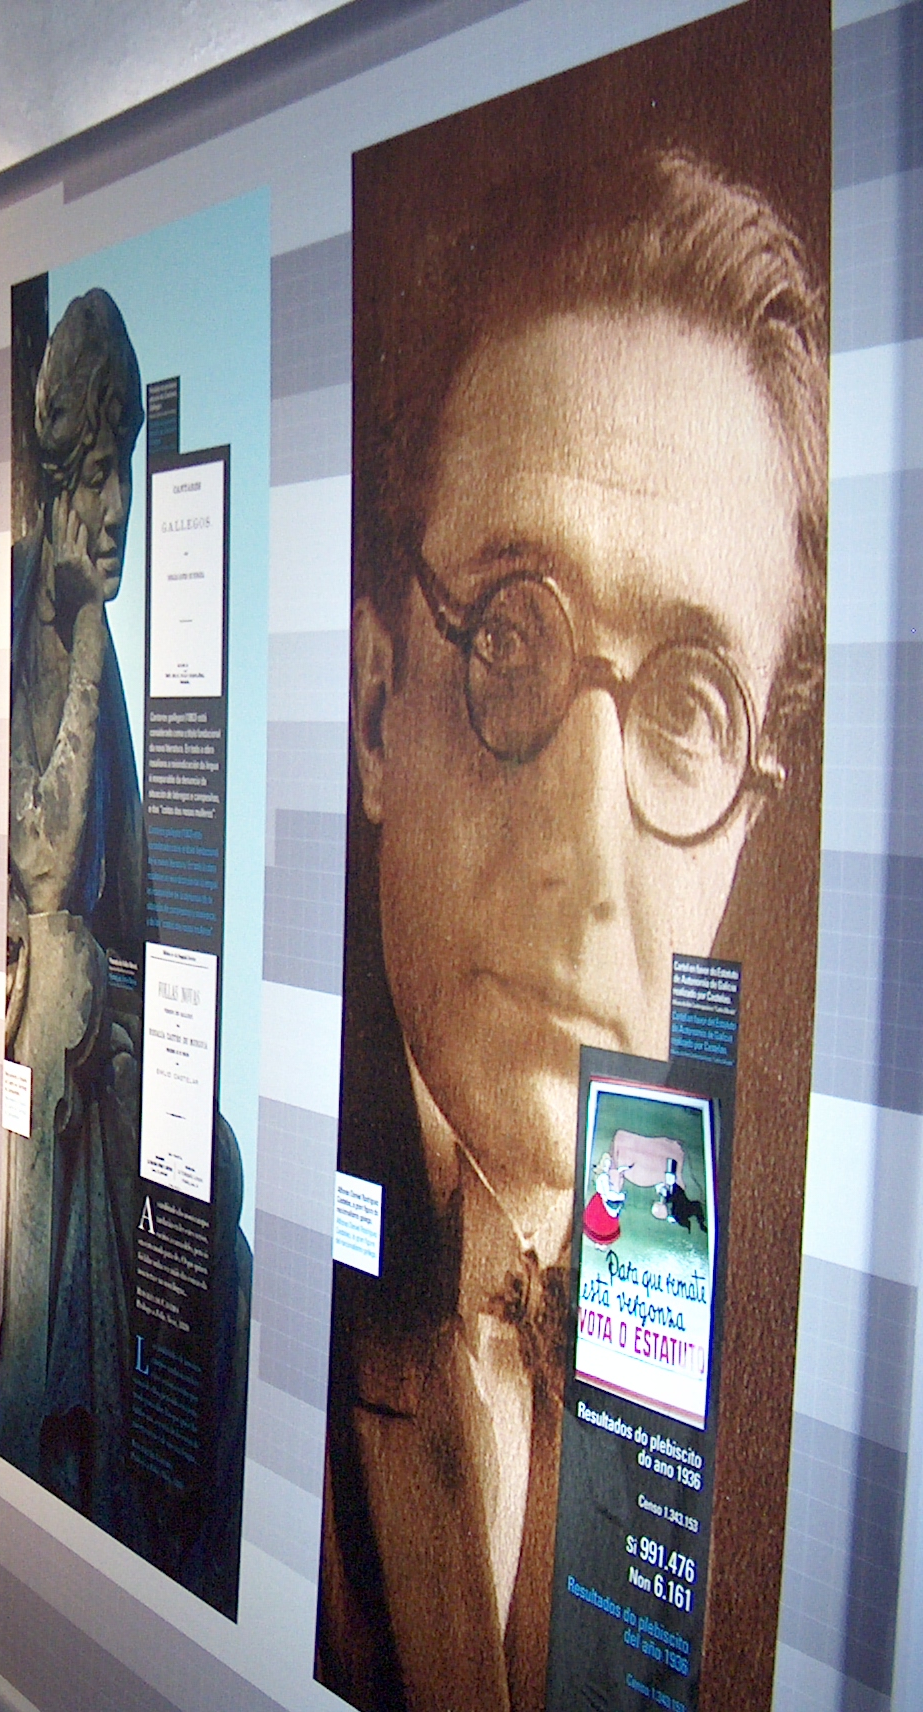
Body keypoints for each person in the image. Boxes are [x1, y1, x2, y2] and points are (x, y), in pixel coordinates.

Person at [318, 148, 826, 1712]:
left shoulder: (739, 1291)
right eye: (511, 634)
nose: (585, 864)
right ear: (378, 706)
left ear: (745, 822)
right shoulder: (271, 1210)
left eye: (689, 705)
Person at [0, 288, 158, 1541]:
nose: (115, 515)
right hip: (25, 1031)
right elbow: (44, 865)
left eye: (126, 481)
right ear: (57, 485)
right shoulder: (29, 626)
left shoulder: (81, 647)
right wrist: (91, 639)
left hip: (96, 1046)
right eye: (97, 481)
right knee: (56, 972)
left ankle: (103, 1475)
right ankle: (32, 1436)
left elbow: (140, 903)